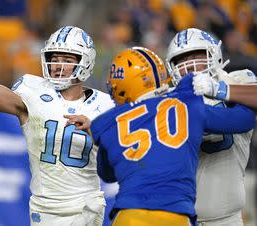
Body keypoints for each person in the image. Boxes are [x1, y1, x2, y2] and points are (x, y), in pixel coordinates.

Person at [0, 25, 115, 226]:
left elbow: (121, 153)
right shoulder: (32, 91)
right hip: (43, 208)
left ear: (85, 63)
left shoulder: (105, 105)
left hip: (85, 206)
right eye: (55, 58)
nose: (57, 66)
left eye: (67, 60)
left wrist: (96, 129)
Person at [89, 46, 255, 226]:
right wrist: (218, 91)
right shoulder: (184, 106)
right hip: (175, 214)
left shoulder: (107, 122)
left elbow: (106, 174)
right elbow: (245, 119)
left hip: (129, 214)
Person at [166, 27, 255, 226]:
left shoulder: (236, 80)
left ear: (213, 54)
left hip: (225, 218)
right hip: (178, 217)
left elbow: (248, 111)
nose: (189, 66)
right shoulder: (167, 97)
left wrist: (217, 89)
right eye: (181, 60)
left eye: (197, 55)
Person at [192, 71, 257, 109]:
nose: (190, 65)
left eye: (195, 57)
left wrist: (217, 89)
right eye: (184, 59)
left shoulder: (236, 78)